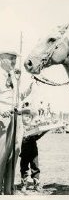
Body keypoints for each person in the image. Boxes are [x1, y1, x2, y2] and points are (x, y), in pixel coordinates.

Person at [0, 51, 34, 194]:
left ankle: (8, 189)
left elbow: (19, 95)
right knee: (1, 154)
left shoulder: (14, 76)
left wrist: (31, 82)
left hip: (16, 117)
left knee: (14, 152)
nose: (14, 62)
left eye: (15, 59)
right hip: (3, 119)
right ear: (2, 58)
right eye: (11, 58)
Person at [20, 106, 47, 192]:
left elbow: (36, 137)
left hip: (33, 151)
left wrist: (44, 131)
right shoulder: (20, 128)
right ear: (21, 117)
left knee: (35, 167)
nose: (28, 117)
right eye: (25, 115)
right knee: (24, 167)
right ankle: (24, 184)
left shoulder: (33, 127)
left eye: (29, 116)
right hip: (24, 151)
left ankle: (36, 184)